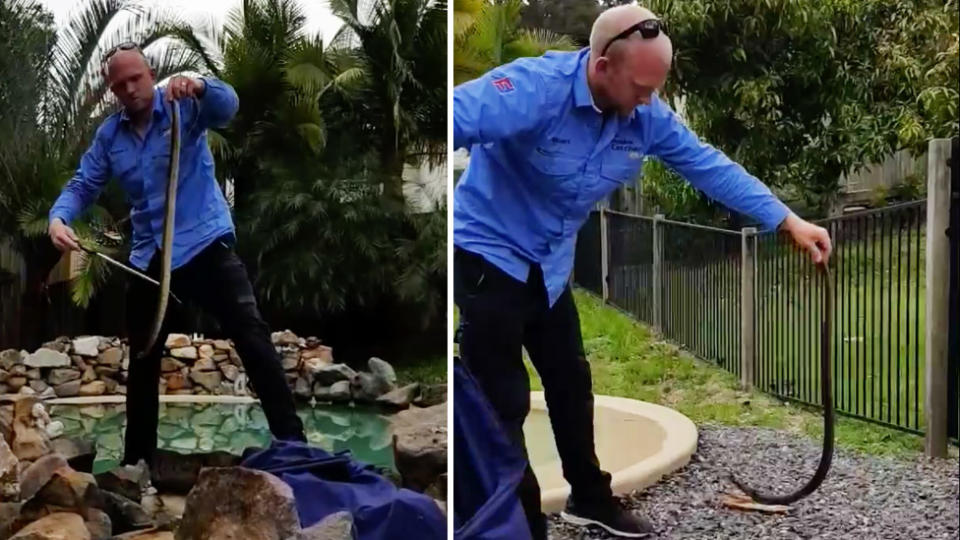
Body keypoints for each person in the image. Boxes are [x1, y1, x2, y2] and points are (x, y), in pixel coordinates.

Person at [452, 5, 832, 539]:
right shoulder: (534, 88)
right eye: (641, 87)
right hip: (489, 255)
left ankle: (590, 499)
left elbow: (708, 164)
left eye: (656, 89)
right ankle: (517, 522)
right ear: (603, 65)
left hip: (551, 264)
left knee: (570, 383)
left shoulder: (644, 115)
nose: (648, 102)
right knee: (503, 402)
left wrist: (786, 220)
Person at [47, 43, 306, 466]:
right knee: (143, 358)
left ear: (150, 75)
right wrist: (59, 219)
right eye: (120, 84)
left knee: (252, 337)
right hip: (151, 258)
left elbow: (228, 105)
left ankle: (295, 447)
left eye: (136, 78)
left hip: (205, 243)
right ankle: (137, 465)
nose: (130, 89)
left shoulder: (184, 105)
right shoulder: (110, 136)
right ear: (113, 91)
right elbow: (82, 184)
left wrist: (201, 84)